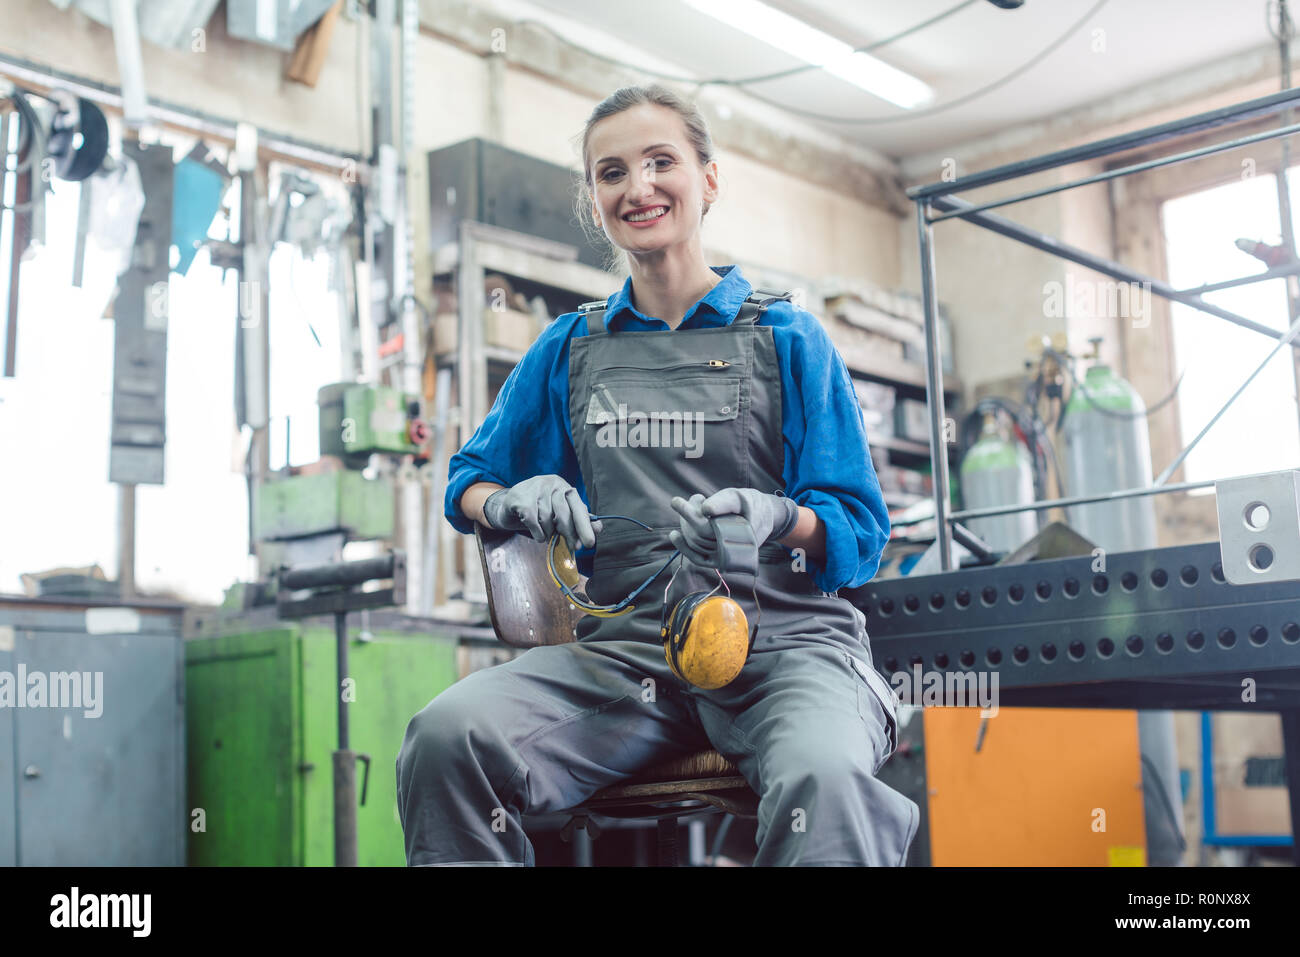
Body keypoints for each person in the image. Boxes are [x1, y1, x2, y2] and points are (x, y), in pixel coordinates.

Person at [396, 83, 919, 866]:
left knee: (827, 781)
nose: (637, 188)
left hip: (784, 646)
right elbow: (466, 481)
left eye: (660, 162)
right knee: (444, 739)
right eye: (612, 173)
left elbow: (858, 529)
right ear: (595, 200)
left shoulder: (787, 338)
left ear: (708, 180)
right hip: (628, 654)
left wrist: (781, 518)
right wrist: (509, 498)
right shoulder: (569, 348)